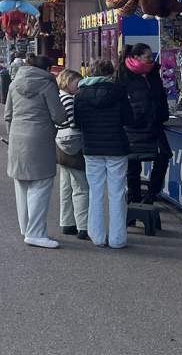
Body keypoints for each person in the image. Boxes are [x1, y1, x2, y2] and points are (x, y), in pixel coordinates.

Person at [4, 55, 67, 249]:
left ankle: (26, 229)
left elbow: (8, 115)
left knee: (21, 184)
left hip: (17, 138)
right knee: (41, 185)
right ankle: (36, 233)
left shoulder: (14, 84)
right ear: (47, 69)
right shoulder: (47, 85)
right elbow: (59, 117)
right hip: (40, 139)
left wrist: (12, 137)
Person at [75, 58, 139, 249]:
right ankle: (118, 239)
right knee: (117, 192)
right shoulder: (119, 92)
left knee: (95, 192)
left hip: (91, 147)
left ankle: (97, 236)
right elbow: (128, 120)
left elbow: (78, 123)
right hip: (116, 147)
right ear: (110, 73)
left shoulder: (80, 93)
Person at [116, 43, 172, 204]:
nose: (151, 59)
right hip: (133, 127)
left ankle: (152, 193)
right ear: (136, 57)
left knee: (164, 156)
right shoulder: (122, 75)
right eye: (147, 56)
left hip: (154, 125)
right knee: (133, 164)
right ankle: (134, 198)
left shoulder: (153, 73)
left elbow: (161, 95)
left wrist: (163, 114)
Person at [55, 69, 90, 241]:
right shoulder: (69, 99)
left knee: (66, 185)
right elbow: (73, 123)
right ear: (68, 82)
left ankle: (67, 222)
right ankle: (83, 226)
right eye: (78, 82)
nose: (80, 86)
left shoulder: (59, 97)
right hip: (75, 145)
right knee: (81, 187)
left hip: (61, 144)